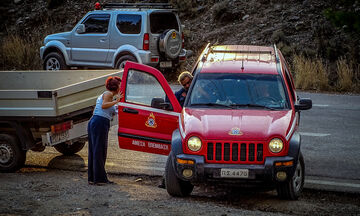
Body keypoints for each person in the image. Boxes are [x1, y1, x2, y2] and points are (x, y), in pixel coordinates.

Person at [88, 76, 123, 186]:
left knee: (94, 150)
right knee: (99, 150)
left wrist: (116, 103)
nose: (121, 87)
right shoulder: (108, 94)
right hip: (99, 122)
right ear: (115, 86)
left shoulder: (108, 95)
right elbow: (104, 106)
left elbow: (107, 108)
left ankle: (93, 177)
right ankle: (100, 179)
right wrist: (116, 101)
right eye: (120, 85)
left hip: (96, 121)